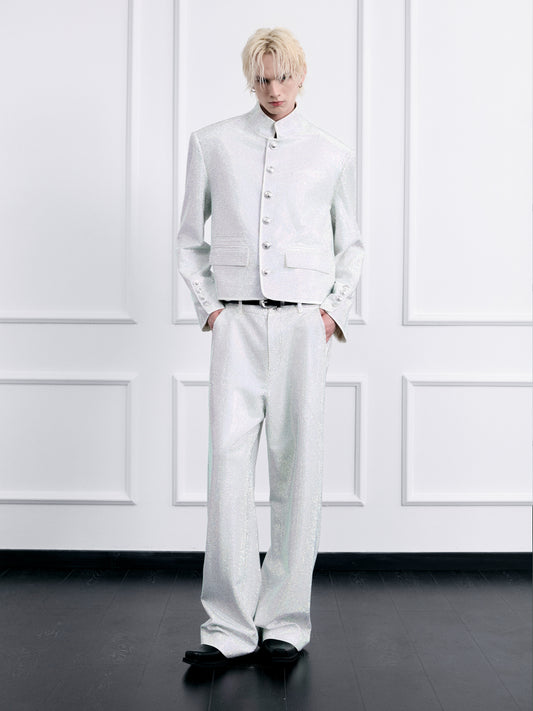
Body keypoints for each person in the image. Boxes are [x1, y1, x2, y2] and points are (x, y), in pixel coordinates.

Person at [178, 27, 364, 668]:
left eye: (284, 77)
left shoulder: (332, 154)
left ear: (301, 76)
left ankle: (286, 621)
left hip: (303, 328)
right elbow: (189, 239)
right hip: (236, 323)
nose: (274, 90)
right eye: (262, 78)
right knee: (227, 471)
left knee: (297, 471)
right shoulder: (212, 144)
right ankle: (227, 627)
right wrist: (210, 306)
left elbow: (351, 245)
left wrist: (332, 312)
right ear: (249, 78)